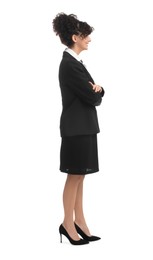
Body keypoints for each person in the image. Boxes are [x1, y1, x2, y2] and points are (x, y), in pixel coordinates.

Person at [52, 12, 105, 245]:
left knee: (81, 176)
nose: (89, 40)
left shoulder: (76, 64)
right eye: (86, 36)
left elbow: (97, 94)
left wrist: (99, 90)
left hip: (84, 127)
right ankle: (67, 223)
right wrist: (97, 91)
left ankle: (80, 221)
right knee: (74, 177)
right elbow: (92, 96)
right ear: (75, 37)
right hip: (76, 128)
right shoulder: (69, 65)